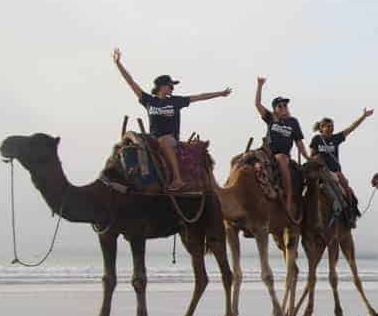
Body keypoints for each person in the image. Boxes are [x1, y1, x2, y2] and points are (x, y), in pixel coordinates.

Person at [112, 48, 231, 191]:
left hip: (170, 139)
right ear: (162, 87)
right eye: (170, 85)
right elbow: (131, 82)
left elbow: (199, 96)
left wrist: (220, 93)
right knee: (132, 144)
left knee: (164, 141)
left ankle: (177, 179)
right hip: (153, 138)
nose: (172, 88)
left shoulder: (176, 101)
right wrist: (118, 64)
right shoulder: (149, 101)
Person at [255, 77, 309, 216]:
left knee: (282, 160)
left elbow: (299, 143)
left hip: (282, 154)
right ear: (275, 110)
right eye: (280, 106)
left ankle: (289, 199)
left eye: (285, 105)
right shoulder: (271, 118)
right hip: (266, 152)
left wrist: (307, 157)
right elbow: (257, 104)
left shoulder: (293, 122)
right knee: (247, 160)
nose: (283, 108)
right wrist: (260, 85)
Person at [309, 109, 374, 220]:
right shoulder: (316, 139)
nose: (331, 128)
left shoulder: (336, 138)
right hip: (322, 171)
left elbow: (351, 128)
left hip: (336, 171)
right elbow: (312, 156)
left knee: (347, 189)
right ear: (321, 128)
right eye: (328, 126)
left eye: (332, 126)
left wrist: (363, 117)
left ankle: (350, 214)